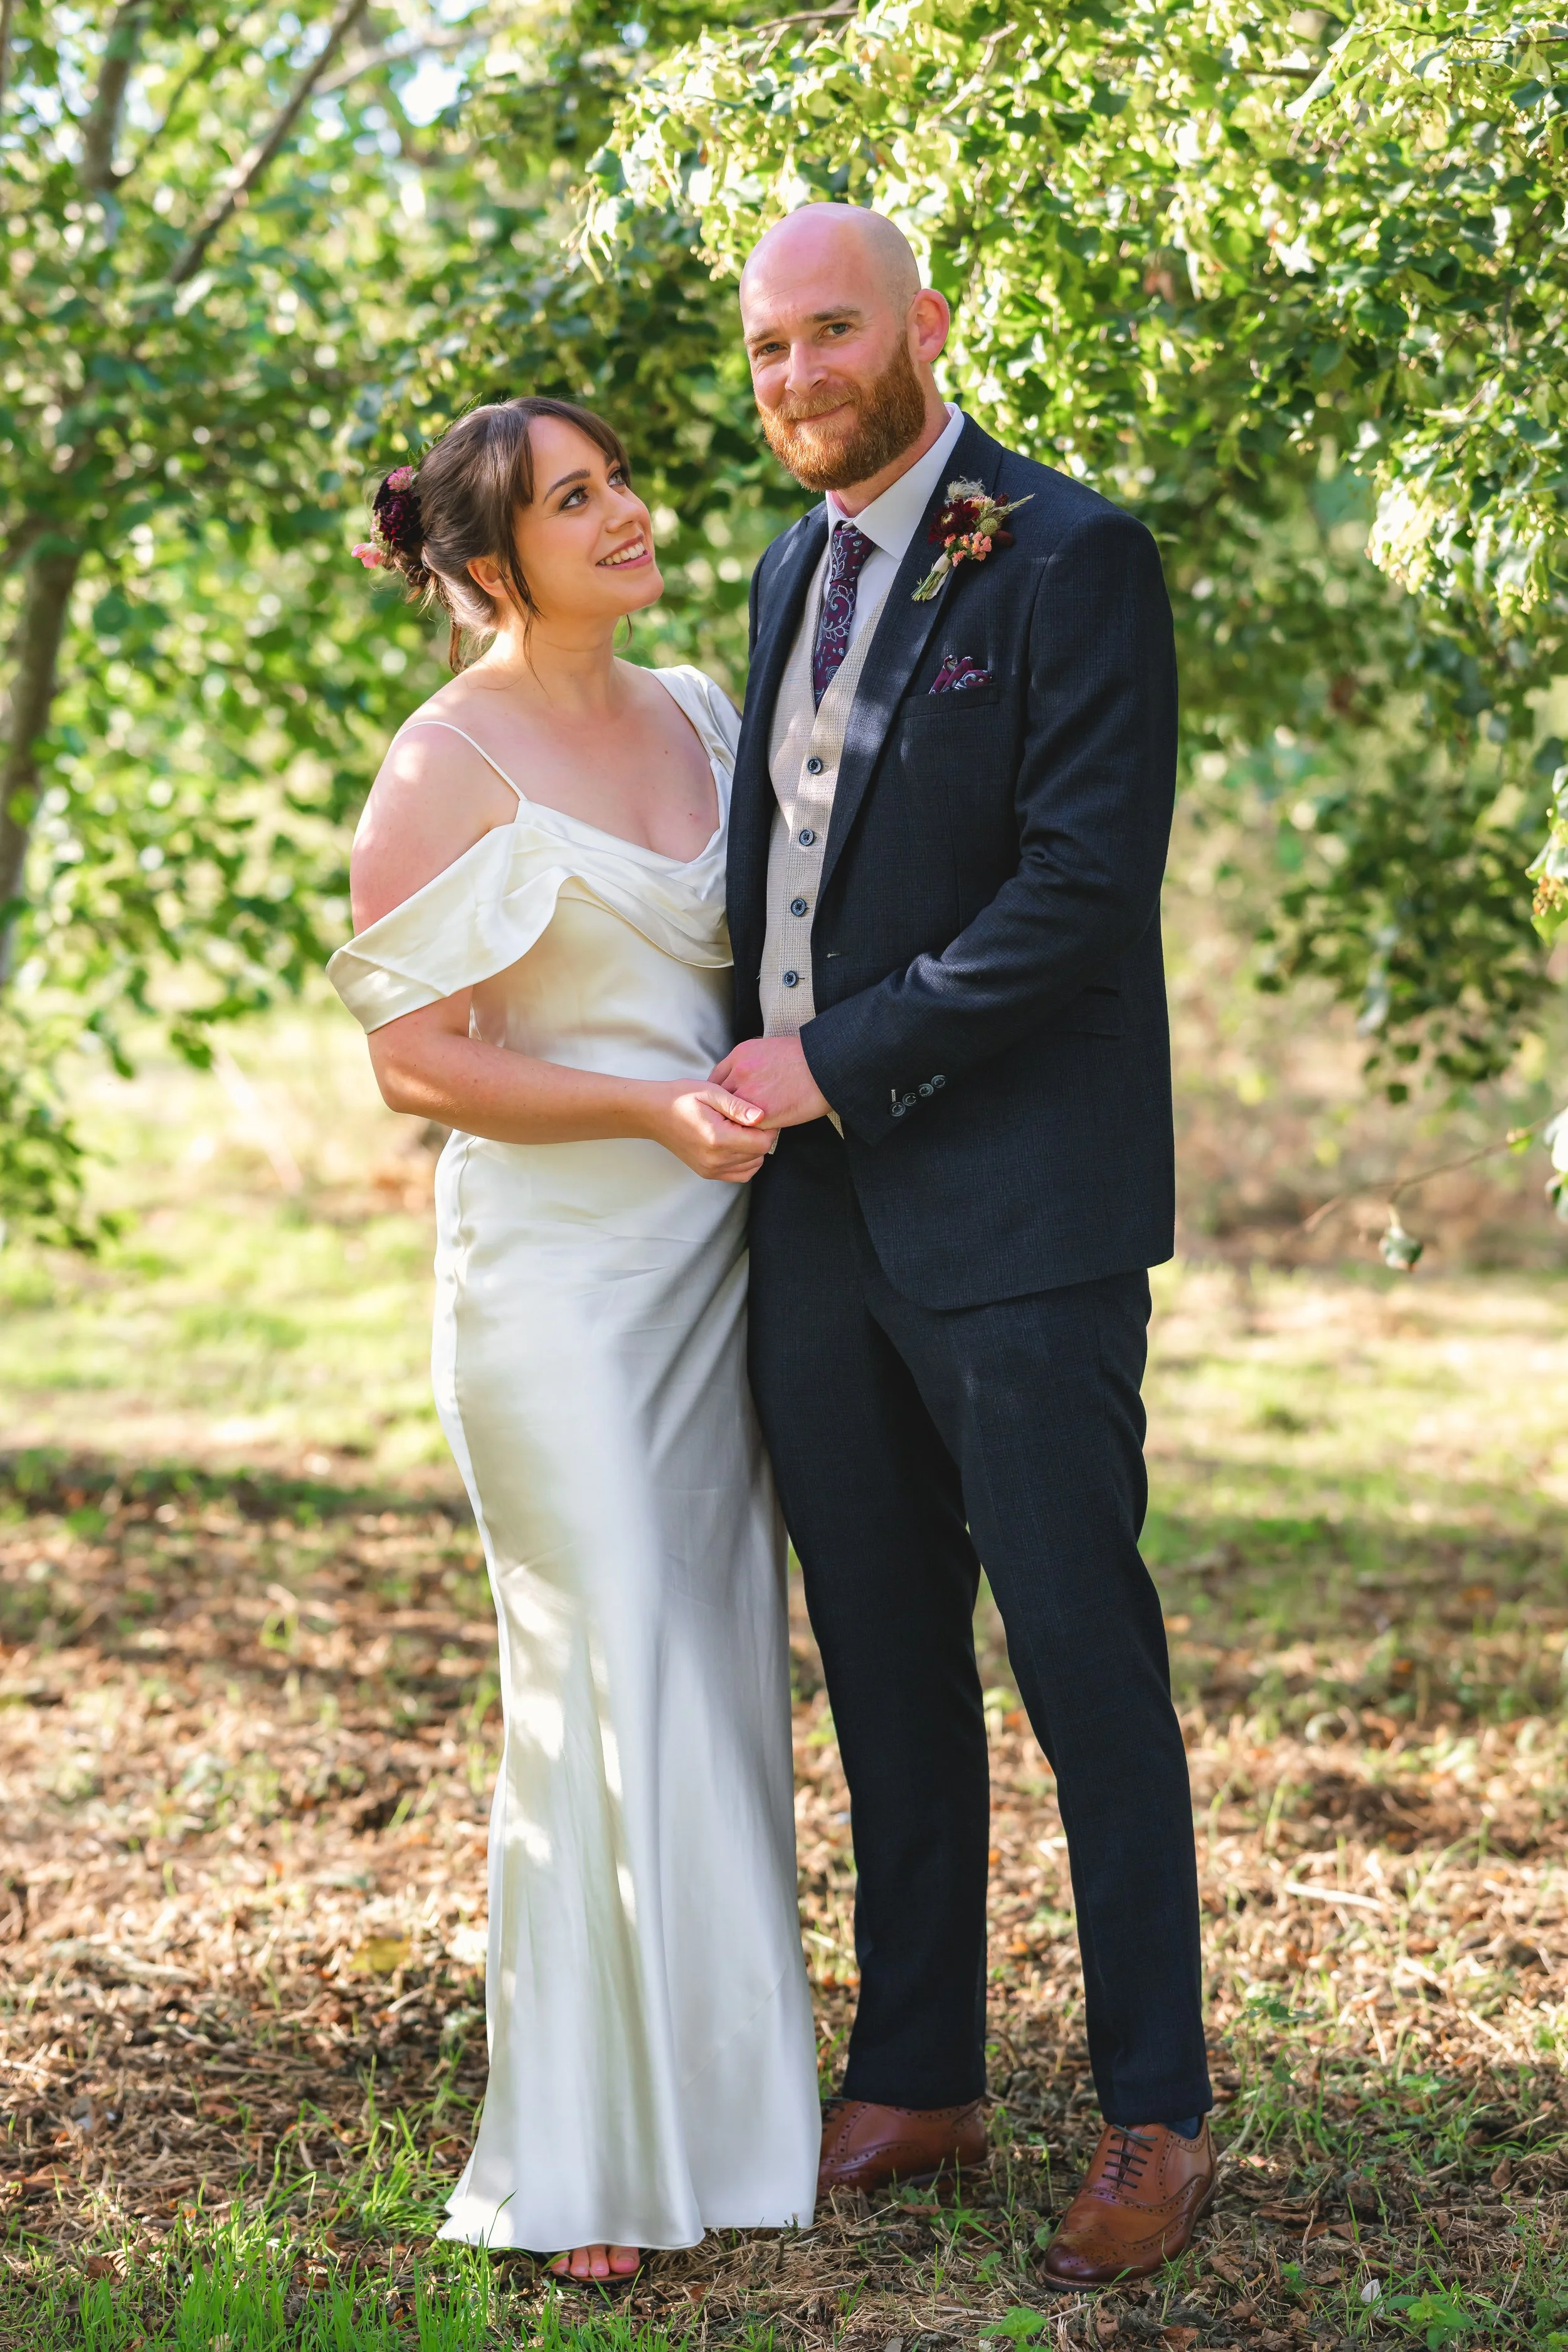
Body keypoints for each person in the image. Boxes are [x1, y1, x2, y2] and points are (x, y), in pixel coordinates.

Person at [712, 204, 1217, 2287]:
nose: (796, 374)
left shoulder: (1073, 552)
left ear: (923, 323)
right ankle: (917, 2066)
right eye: (763, 347)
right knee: (885, 1657)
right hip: (814, 1225)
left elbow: (1078, 893)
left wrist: (826, 1060)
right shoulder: (779, 573)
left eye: (828, 329)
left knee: (1078, 1655)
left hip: (1020, 1211)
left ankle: (1152, 2109)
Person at [326, 397, 820, 2283]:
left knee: (705, 1673)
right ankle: (581, 2154)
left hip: (718, 1269)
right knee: (596, 1665)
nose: (625, 513)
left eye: (616, 481)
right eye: (572, 500)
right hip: (556, 1282)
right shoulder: (443, 759)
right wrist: (640, 1114)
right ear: (481, 566)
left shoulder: (703, 706)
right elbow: (411, 1060)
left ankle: (720, 2118)